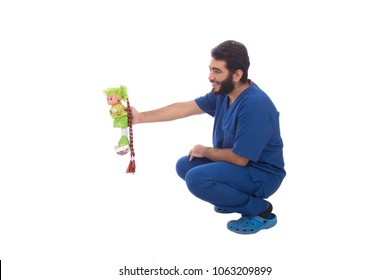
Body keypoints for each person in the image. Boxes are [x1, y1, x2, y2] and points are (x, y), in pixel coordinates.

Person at [130, 40, 286, 234]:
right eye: (211, 69)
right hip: (241, 169)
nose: (210, 76)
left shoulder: (254, 105)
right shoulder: (224, 93)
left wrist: (205, 151)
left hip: (261, 176)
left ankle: (260, 210)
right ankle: (232, 198)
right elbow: (186, 107)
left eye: (217, 71)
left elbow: (240, 158)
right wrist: (140, 117)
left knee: (197, 178)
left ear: (237, 75)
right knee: (185, 165)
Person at [104, 85, 131, 155]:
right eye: (107, 99)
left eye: (110, 99)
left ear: (118, 99)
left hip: (122, 119)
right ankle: (123, 143)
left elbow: (117, 109)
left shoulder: (117, 106)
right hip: (122, 119)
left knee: (124, 133)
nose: (108, 101)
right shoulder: (116, 105)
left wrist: (115, 110)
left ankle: (124, 144)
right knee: (123, 132)